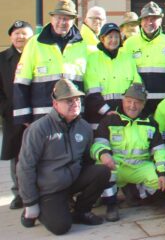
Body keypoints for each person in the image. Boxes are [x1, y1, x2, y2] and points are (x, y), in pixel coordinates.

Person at [18, 79, 111, 234]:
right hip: (49, 189)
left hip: (72, 180)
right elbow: (25, 167)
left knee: (102, 171)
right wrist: (30, 202)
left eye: (77, 99)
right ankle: (37, 210)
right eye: (68, 101)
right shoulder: (39, 129)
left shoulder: (85, 127)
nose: (74, 103)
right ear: (55, 104)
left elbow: (87, 161)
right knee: (61, 227)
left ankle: (81, 211)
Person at [91, 83, 165, 222]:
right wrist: (103, 154)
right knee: (102, 169)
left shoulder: (150, 122)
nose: (132, 106)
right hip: (116, 165)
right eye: (129, 101)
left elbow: (159, 150)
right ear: (123, 100)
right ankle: (111, 204)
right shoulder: (109, 119)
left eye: (137, 103)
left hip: (140, 166)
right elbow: (98, 144)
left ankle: (133, 193)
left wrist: (162, 172)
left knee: (159, 181)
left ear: (143, 104)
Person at [14, 0, 90, 125]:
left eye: (66, 19)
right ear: (52, 18)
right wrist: (24, 118)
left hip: (74, 117)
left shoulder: (83, 45)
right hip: (42, 116)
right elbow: (21, 82)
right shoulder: (35, 43)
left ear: (73, 21)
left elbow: (88, 85)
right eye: (59, 18)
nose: (62, 22)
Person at [122, 1, 165, 113]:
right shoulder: (129, 44)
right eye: (146, 19)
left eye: (153, 19)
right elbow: (124, 75)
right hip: (138, 106)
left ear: (161, 20)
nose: (149, 22)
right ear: (140, 22)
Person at [83, 22, 142, 127]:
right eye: (110, 37)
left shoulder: (128, 59)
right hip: (99, 118)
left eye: (116, 36)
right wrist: (107, 111)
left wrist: (128, 111)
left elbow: (137, 87)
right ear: (102, 39)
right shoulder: (92, 59)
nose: (114, 40)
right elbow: (92, 94)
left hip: (125, 117)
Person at [0, 20, 33, 209]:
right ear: (11, 36)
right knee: (16, 156)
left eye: (24, 33)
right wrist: (6, 109)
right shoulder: (2, 59)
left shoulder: (35, 56)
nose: (20, 37)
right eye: (17, 33)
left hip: (34, 114)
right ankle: (19, 193)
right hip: (12, 117)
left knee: (35, 154)